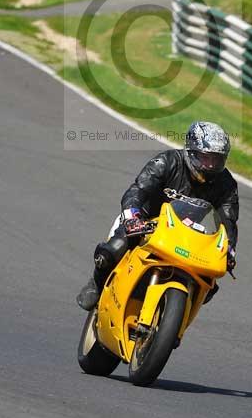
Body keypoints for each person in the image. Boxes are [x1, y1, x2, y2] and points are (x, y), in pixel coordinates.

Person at [76, 121, 238, 311]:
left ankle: (178, 322)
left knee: (209, 282)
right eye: (206, 158)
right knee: (114, 248)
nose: (210, 165)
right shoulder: (166, 162)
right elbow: (137, 190)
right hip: (146, 222)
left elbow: (228, 219)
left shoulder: (226, 184)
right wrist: (132, 217)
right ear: (191, 151)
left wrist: (229, 249)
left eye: (217, 160)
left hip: (189, 235)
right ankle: (96, 283)